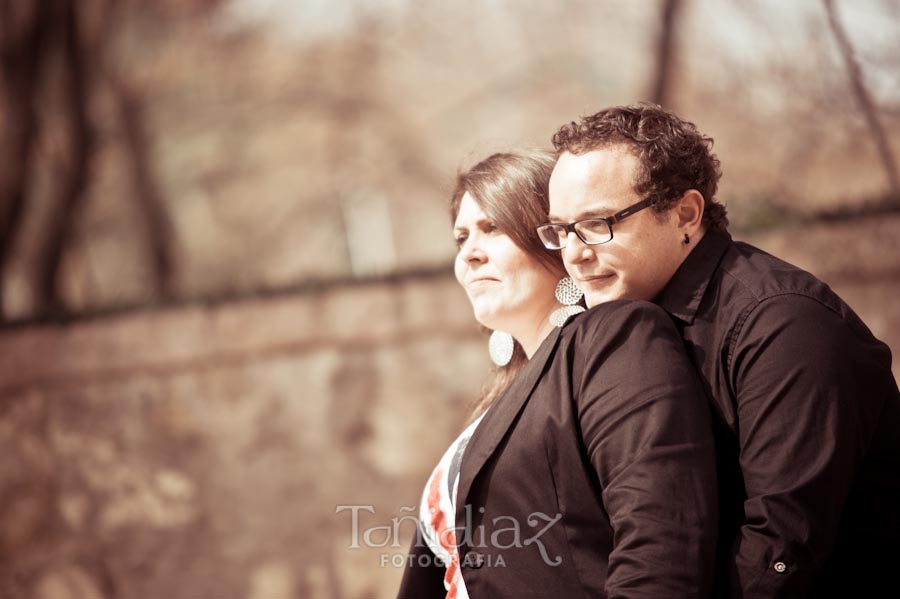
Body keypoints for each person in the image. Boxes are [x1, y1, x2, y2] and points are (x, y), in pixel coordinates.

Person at [541, 102, 900, 598]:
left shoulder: (783, 324)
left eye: (599, 222)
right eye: (561, 230)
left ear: (686, 213)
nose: (576, 253)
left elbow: (781, 553)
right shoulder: (613, 327)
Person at [397, 150, 718, 598]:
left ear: (555, 239)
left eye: (493, 228)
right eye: (461, 236)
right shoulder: (494, 404)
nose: (469, 253)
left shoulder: (612, 340)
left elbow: (662, 540)